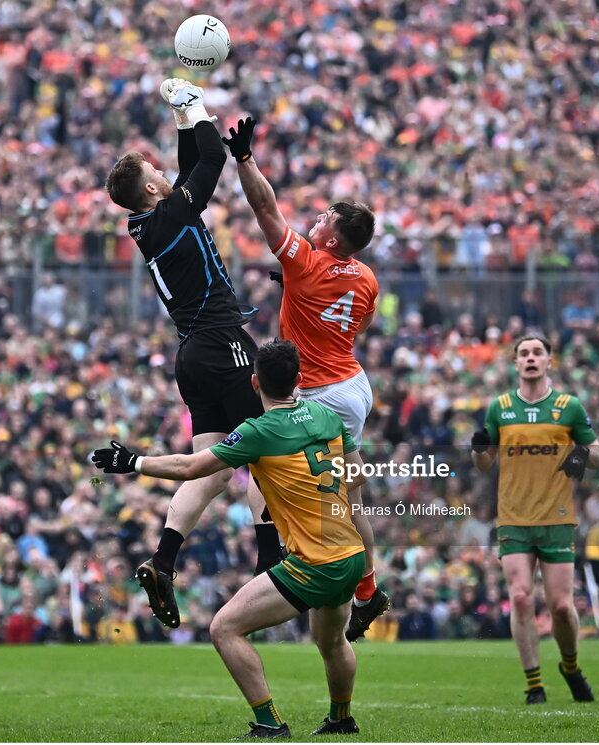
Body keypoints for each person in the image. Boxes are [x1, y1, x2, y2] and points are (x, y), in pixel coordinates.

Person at [92, 340, 366, 739]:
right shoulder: (327, 415)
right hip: (350, 551)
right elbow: (357, 474)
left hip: (315, 562)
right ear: (299, 380)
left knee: (223, 629)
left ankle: (270, 724)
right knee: (331, 642)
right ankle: (341, 719)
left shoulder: (259, 430)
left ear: (254, 383)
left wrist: (134, 462)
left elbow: (191, 467)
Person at [104, 80, 280, 629]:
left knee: (211, 469)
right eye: (155, 172)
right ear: (152, 189)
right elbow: (208, 159)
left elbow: (187, 167)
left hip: (192, 354)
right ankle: (271, 563)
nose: (164, 173)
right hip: (222, 342)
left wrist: (183, 117)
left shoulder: (152, 220)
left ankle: (163, 560)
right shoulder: (172, 214)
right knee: (266, 454)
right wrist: (194, 105)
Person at [221, 116, 389, 642]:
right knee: (347, 496)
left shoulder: (307, 263)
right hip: (352, 382)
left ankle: (278, 560)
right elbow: (344, 317)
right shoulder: (364, 276)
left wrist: (245, 159)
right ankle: (366, 588)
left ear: (334, 237)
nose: (314, 220)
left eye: (322, 218)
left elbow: (264, 208)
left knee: (265, 461)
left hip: (320, 391)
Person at [470, 334, 599, 704]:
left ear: (549, 361)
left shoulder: (569, 407)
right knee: (520, 598)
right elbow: (485, 463)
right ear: (516, 364)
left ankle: (571, 666)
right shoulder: (500, 408)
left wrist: (580, 454)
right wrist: (479, 449)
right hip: (513, 517)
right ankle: (534, 685)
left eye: (537, 352)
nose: (530, 358)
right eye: (524, 353)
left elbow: (598, 457)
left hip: (557, 518)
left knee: (561, 606)